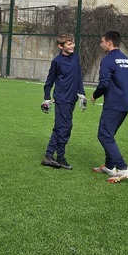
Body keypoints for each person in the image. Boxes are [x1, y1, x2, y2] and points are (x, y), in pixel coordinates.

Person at [91, 30, 128, 183]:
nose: (100, 44)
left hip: (113, 104)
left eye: (102, 41)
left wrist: (95, 95)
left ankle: (123, 168)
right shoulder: (127, 61)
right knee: (109, 134)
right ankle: (109, 166)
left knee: (104, 135)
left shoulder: (108, 60)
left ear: (109, 43)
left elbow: (104, 83)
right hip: (125, 104)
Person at [41, 33, 87, 170]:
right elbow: (49, 82)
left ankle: (56, 157)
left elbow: (79, 77)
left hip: (72, 99)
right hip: (61, 100)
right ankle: (52, 156)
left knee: (61, 127)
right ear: (61, 46)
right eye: (69, 43)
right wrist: (46, 98)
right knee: (64, 127)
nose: (73, 45)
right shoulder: (57, 61)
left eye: (73, 42)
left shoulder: (76, 58)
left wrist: (82, 94)